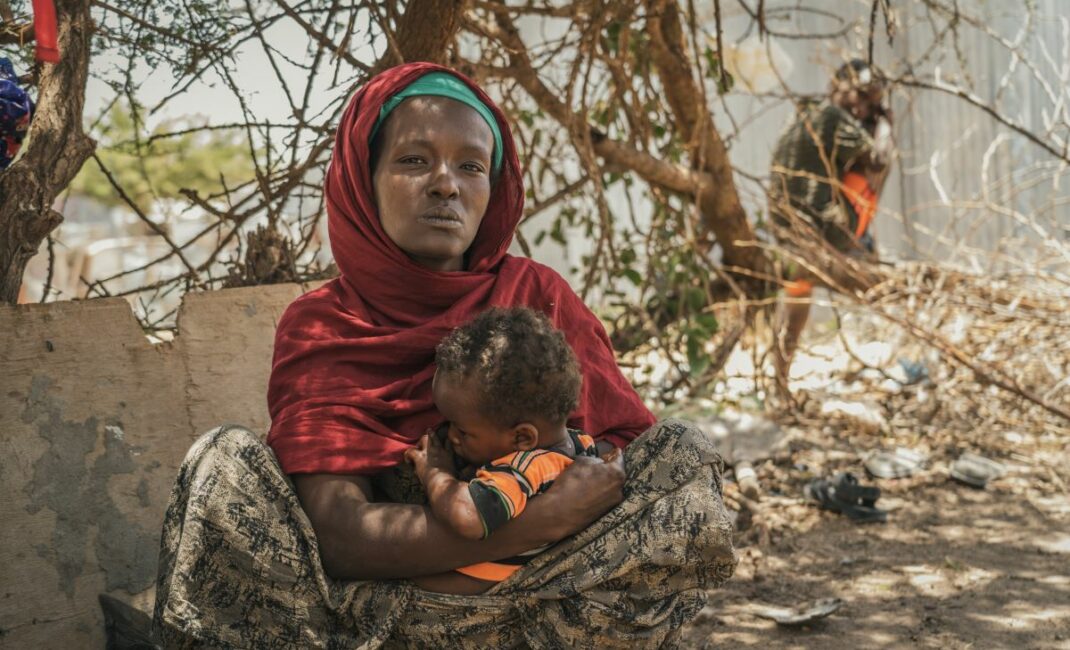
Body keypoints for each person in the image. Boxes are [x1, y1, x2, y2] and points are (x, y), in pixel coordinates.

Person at [153, 63, 735, 649]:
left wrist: (550, 502)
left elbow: (614, 466)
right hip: (367, 613)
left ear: (494, 187)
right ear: (363, 178)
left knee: (682, 455)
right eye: (413, 160)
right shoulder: (324, 325)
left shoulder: (536, 296)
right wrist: (541, 520)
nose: (445, 184)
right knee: (221, 462)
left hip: (543, 599)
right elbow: (341, 533)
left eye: (471, 166)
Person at [407, 307, 613, 595]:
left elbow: (466, 516)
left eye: (462, 430)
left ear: (522, 438)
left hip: (479, 589)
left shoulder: (523, 468)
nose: (451, 436)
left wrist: (435, 472)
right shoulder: (582, 445)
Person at [769, 58, 894, 385]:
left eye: (873, 104)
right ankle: (862, 244)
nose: (864, 108)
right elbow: (879, 161)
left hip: (788, 233)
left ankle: (779, 379)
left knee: (798, 296)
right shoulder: (833, 116)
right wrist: (886, 124)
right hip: (823, 230)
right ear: (837, 84)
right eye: (862, 96)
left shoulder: (804, 111)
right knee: (875, 162)